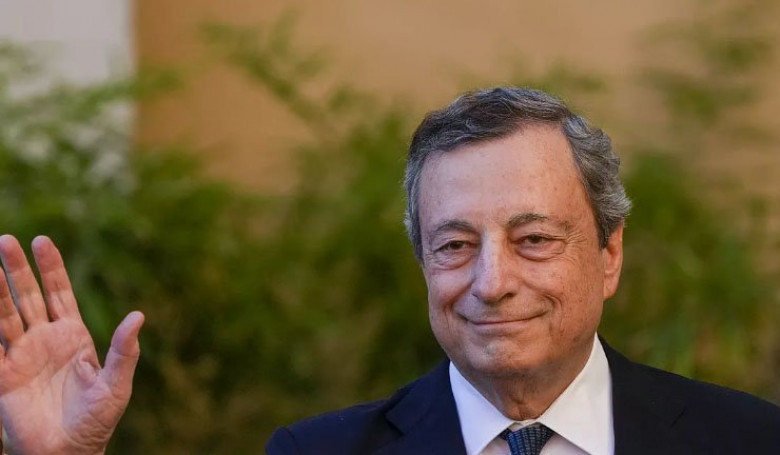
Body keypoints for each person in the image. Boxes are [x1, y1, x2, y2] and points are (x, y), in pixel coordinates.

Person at [0, 87, 777, 455]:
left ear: (609, 254)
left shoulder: (750, 440)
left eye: (534, 238)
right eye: (455, 245)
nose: (491, 281)